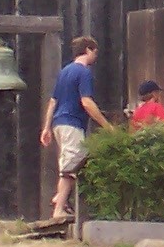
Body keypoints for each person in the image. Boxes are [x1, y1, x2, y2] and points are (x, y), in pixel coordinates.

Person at [39, 36, 111, 221]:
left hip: (58, 124)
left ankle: (58, 197)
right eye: (95, 52)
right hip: (72, 123)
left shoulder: (64, 72)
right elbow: (86, 102)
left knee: (69, 161)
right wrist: (106, 125)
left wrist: (46, 127)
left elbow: (53, 101)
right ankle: (59, 208)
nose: (95, 56)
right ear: (88, 50)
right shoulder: (83, 72)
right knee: (72, 165)